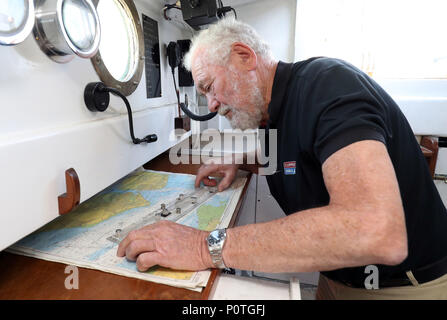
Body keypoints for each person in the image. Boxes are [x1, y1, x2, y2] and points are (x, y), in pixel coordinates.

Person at [117, 18, 447, 299]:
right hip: (337, 277)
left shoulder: (329, 86)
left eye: (209, 87)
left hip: (404, 286)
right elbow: (301, 152)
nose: (212, 104)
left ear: (243, 56)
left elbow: (375, 232)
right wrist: (241, 159)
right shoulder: (276, 108)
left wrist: (204, 247)